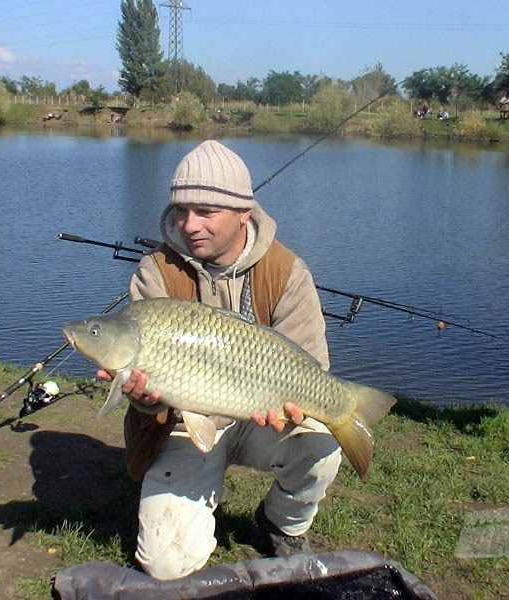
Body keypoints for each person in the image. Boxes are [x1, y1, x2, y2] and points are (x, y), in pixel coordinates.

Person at [97, 140, 342, 580]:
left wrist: (289, 413)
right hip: (180, 426)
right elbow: (151, 396)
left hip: (261, 414)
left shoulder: (288, 272)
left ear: (243, 213)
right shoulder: (156, 271)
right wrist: (145, 399)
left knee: (323, 443)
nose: (190, 225)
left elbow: (313, 371)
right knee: (165, 564)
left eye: (206, 212)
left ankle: (282, 523)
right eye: (182, 211)